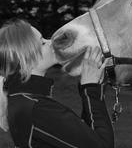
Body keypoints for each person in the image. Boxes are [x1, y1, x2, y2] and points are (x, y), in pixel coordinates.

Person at [0, 18, 114, 148]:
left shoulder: (21, 100)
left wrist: (91, 84)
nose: (51, 42)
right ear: (24, 59)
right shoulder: (37, 109)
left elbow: (85, 137)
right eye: (42, 43)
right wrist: (91, 89)